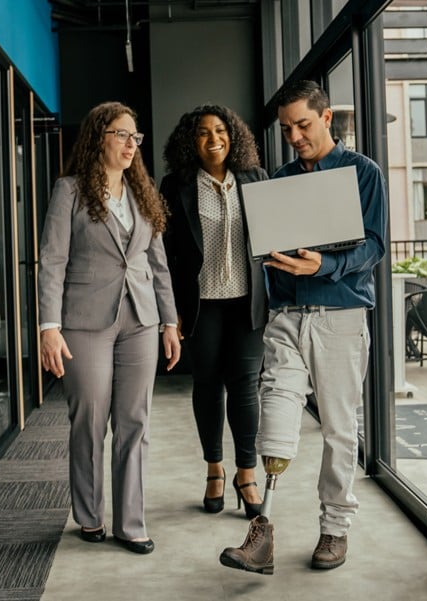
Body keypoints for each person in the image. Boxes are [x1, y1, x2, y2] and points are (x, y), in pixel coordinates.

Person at [219, 80, 388, 574]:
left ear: (327, 117)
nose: (294, 135)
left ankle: (334, 529)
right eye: (287, 128)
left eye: (303, 125)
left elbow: (374, 246)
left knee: (339, 429)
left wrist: (324, 266)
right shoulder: (283, 179)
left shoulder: (363, 173)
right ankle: (262, 533)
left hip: (339, 316)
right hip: (287, 317)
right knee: (275, 418)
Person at [37, 101, 182, 555]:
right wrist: (49, 326)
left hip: (141, 319)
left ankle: (131, 523)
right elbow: (52, 260)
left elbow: (157, 264)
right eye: (121, 134)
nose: (130, 145)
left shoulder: (143, 193)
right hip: (84, 320)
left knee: (134, 421)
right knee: (90, 419)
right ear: (99, 137)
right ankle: (89, 515)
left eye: (135, 138)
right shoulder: (71, 191)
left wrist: (171, 321)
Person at [159, 104, 268, 518]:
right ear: (192, 141)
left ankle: (246, 472)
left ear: (233, 136)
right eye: (203, 133)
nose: (213, 139)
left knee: (245, 386)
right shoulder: (176, 185)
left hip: (246, 302)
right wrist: (171, 308)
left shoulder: (256, 179)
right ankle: (214, 469)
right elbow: (165, 252)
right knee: (207, 385)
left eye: (220, 131)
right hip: (200, 304)